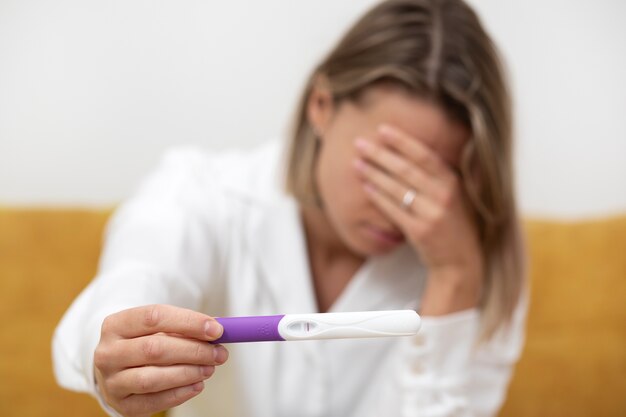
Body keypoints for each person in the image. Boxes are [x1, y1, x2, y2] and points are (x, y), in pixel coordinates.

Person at [53, 0, 527, 416]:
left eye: (434, 183)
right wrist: (117, 342)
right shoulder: (206, 197)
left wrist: (454, 279)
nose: (399, 210)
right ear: (321, 105)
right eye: (386, 167)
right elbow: (141, 268)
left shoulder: (474, 265)